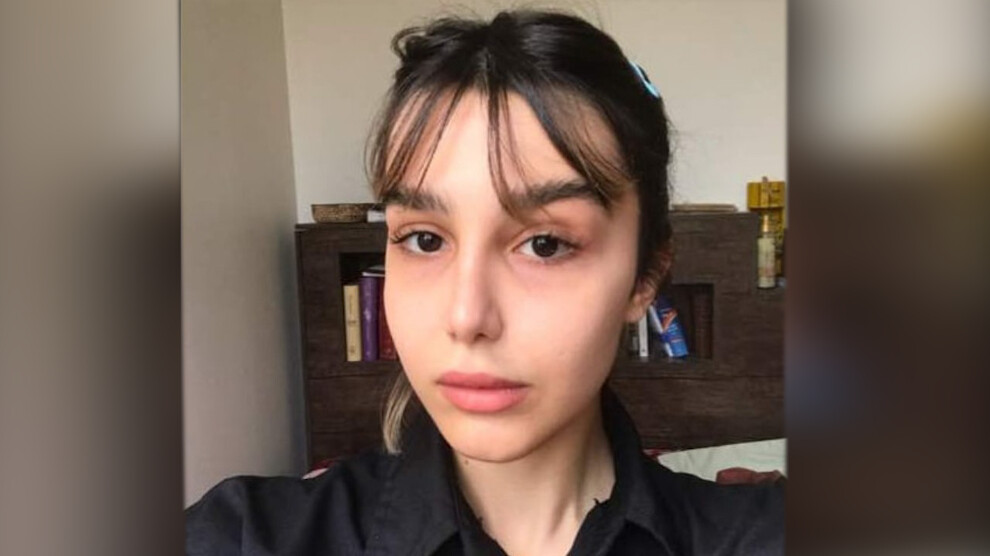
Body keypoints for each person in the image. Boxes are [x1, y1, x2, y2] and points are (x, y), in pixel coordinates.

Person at [186, 10, 784, 555]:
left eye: (545, 244)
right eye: (424, 239)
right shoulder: (249, 535)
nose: (467, 316)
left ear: (644, 276)